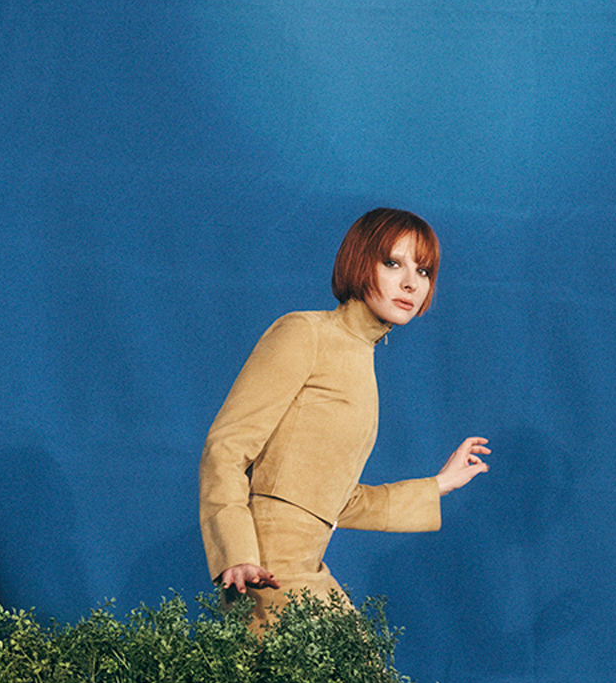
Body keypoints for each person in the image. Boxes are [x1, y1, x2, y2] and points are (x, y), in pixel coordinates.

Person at [198, 207, 488, 630]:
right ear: (358, 261)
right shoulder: (305, 333)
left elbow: (334, 502)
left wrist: (438, 486)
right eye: (392, 263)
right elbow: (226, 447)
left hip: (304, 566)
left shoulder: (361, 359)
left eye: (423, 271)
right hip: (266, 568)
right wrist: (237, 552)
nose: (411, 282)